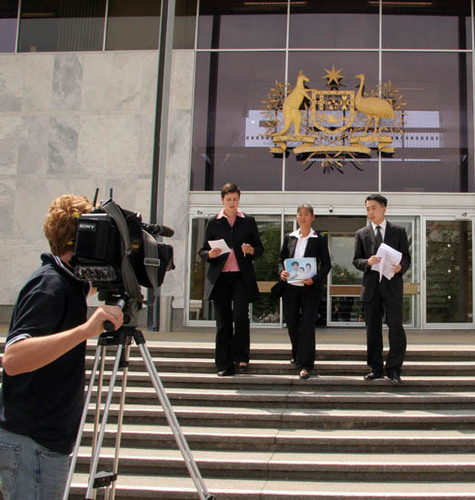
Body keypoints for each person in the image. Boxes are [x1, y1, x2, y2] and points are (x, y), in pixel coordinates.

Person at [0, 194, 124, 499]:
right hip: (32, 444)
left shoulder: (67, 283)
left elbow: (88, 284)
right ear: (81, 240)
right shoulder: (50, 285)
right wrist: (85, 330)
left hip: (44, 444)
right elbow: (13, 358)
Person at [199, 183, 264, 377]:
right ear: (222, 200)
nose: (232, 203)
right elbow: (202, 251)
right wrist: (209, 254)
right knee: (223, 321)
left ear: (239, 200)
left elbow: (259, 249)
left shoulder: (248, 221)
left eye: (235, 199)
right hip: (220, 278)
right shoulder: (213, 222)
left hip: (241, 278)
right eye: (229, 200)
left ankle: (242, 358)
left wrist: (252, 250)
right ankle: (224, 363)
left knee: (241, 318)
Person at [353, 194, 411, 384]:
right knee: (373, 329)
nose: (370, 212)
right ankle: (375, 368)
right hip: (371, 288)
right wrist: (367, 262)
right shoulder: (361, 234)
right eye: (368, 208)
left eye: (374, 208)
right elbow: (356, 261)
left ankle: (394, 369)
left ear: (384, 208)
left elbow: (406, 257)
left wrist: (401, 267)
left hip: (392, 286)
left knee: (395, 327)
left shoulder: (398, 231)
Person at [278, 204, 331, 379]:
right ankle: (297, 354)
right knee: (292, 323)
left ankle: (306, 364)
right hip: (291, 288)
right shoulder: (289, 238)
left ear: (312, 217)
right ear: (296, 217)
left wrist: (315, 278)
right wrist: (282, 272)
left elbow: (327, 264)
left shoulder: (319, 239)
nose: (302, 217)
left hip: (309, 289)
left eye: (306, 214)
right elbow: (281, 260)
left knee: (307, 326)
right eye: (300, 214)